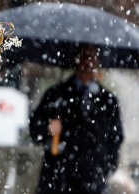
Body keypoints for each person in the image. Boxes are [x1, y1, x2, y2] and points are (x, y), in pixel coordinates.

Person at [29, 45, 124, 194]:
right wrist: (48, 128)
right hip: (57, 178)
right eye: (85, 57)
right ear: (77, 60)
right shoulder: (55, 95)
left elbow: (116, 138)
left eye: (93, 57)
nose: (88, 62)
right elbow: (35, 129)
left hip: (93, 180)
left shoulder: (108, 101)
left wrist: (106, 167)